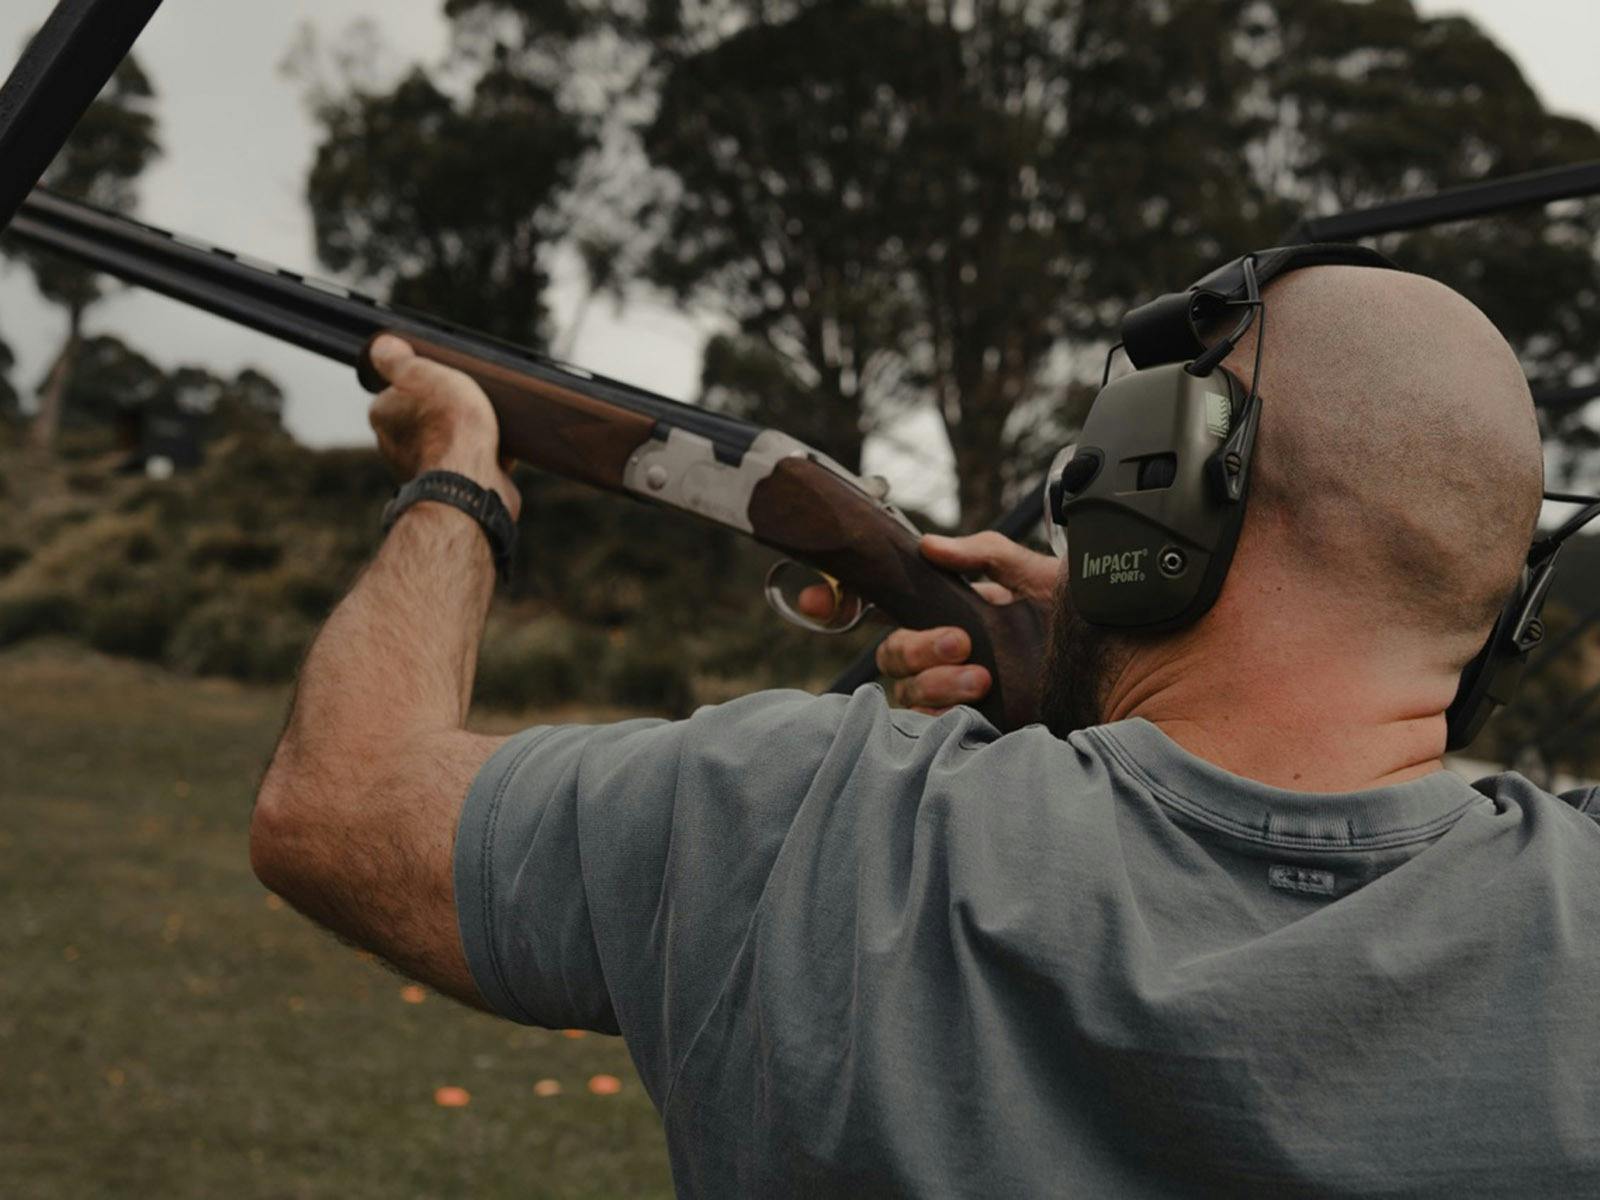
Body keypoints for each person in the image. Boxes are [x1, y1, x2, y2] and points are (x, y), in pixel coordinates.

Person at [251, 264, 1600, 1197]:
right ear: (1504, 603)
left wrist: (456, 479)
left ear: (1156, 493)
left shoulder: (805, 825)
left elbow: (338, 801)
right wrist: (1109, 658)